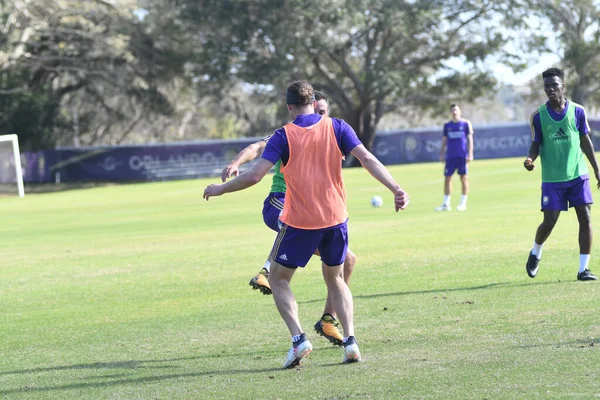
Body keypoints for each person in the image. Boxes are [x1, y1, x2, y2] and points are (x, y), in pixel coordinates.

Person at [204, 80, 409, 368]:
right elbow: (367, 158)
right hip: (336, 219)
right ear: (314, 102)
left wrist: (220, 189)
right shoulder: (338, 127)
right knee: (336, 279)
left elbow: (254, 176)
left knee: (278, 279)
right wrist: (396, 188)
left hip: (300, 222)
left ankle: (299, 340)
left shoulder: (283, 135)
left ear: (289, 107)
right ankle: (351, 342)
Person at [221, 90, 356, 347]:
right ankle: (267, 269)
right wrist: (236, 161)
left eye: (322, 113)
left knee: (348, 260)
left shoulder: (329, 133)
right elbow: (256, 147)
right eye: (315, 111)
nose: (316, 116)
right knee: (291, 224)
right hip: (281, 201)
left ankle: (328, 319)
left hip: (315, 211)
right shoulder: (287, 134)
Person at [524, 67, 600, 281]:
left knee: (585, 218)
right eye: (546, 86)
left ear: (563, 87)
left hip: (578, 175)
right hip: (552, 179)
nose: (550, 89)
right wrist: (530, 159)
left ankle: (583, 269)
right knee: (549, 222)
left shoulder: (577, 111)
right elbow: (535, 145)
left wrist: (596, 169)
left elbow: (586, 141)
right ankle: (536, 251)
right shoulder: (538, 116)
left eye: (554, 85)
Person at [435, 104, 473, 211]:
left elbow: (470, 139)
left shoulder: (465, 124)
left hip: (462, 156)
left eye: (456, 110)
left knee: (463, 178)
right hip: (450, 156)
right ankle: (446, 204)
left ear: (459, 111)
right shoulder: (447, 126)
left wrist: (470, 154)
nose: (454, 112)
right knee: (447, 178)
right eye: (452, 110)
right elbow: (444, 140)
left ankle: (463, 203)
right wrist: (442, 153)